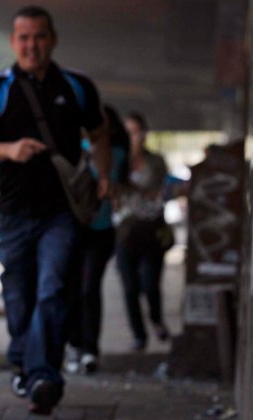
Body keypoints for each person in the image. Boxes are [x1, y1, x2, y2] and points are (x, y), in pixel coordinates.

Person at [0, 5, 110, 415]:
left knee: (54, 288)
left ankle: (44, 374)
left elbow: (99, 134)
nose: (32, 44)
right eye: (24, 37)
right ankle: (22, 364)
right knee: (19, 293)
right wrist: (8, 148)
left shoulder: (78, 87)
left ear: (53, 39)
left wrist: (103, 174)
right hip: (12, 213)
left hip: (62, 213)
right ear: (13, 42)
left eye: (40, 36)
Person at [65, 105, 130, 374]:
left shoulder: (117, 154)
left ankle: (91, 349)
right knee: (70, 289)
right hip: (71, 229)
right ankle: (74, 344)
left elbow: (121, 188)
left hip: (101, 230)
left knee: (89, 288)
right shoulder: (73, 148)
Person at [115, 111, 172, 352]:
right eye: (127, 133)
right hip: (125, 233)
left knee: (150, 283)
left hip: (151, 229)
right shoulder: (117, 161)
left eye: (135, 132)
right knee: (129, 288)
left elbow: (161, 191)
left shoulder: (155, 162)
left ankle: (157, 319)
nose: (132, 138)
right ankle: (139, 336)